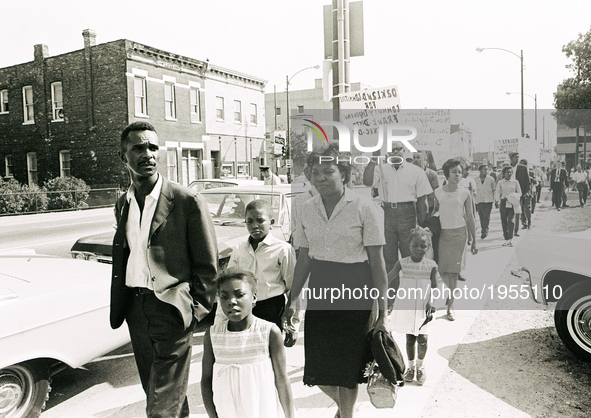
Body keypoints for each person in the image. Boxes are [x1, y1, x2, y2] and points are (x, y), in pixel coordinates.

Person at [110, 122, 218, 418]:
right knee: (160, 394)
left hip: (171, 311)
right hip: (135, 310)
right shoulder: (123, 203)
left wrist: (192, 311)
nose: (148, 154)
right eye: (138, 148)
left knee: (159, 406)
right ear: (123, 156)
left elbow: (208, 266)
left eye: (153, 147)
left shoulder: (186, 201)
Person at [289, 144, 389, 418]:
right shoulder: (305, 209)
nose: (320, 177)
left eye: (328, 171)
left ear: (344, 174)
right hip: (321, 290)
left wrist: (383, 313)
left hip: (356, 290)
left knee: (347, 370)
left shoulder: (365, 208)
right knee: (318, 371)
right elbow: (305, 259)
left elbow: (378, 264)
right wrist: (292, 298)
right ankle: (346, 409)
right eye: (315, 172)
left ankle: (346, 415)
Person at [201, 268, 295, 418]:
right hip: (227, 410)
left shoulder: (269, 332)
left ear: (254, 298)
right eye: (224, 297)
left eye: (239, 295)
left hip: (262, 409)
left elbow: (282, 380)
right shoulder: (212, 335)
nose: (231, 301)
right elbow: (206, 380)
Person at [225, 199, 295, 330]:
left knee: (270, 345)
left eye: (260, 220)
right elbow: (230, 282)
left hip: (272, 306)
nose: (254, 225)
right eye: (249, 221)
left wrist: (291, 316)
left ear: (271, 223)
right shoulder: (239, 249)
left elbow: (294, 286)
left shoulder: (282, 249)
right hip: (244, 305)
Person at [362, 146, 432, 275]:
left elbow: (423, 201)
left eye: (397, 148)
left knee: (410, 254)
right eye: (390, 149)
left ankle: (410, 290)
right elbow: (367, 182)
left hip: (408, 213)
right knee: (388, 257)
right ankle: (391, 293)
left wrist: (423, 225)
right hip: (386, 213)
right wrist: (374, 158)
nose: (394, 152)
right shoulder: (381, 169)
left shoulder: (415, 171)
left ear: (404, 150)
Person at [387, 227, 439, 386]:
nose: (418, 249)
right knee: (410, 338)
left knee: (423, 338)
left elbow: (435, 287)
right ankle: (410, 368)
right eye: (415, 245)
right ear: (408, 245)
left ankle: (420, 366)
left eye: (423, 246)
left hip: (423, 307)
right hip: (408, 306)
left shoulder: (431, 265)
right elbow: (388, 278)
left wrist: (432, 302)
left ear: (428, 247)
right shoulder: (402, 263)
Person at [433, 158, 478, 321]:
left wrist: (475, 240)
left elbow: (470, 217)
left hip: (460, 234)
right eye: (454, 172)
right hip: (443, 235)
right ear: (447, 174)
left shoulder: (465, 193)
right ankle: (452, 290)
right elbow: (435, 212)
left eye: (460, 172)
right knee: (442, 269)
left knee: (454, 271)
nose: (458, 175)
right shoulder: (438, 192)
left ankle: (450, 305)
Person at [495, 165, 522, 247]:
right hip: (503, 203)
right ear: (503, 173)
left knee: (511, 221)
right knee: (504, 221)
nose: (509, 174)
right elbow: (497, 193)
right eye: (507, 172)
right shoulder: (500, 183)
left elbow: (520, 193)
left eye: (510, 172)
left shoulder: (515, 182)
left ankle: (511, 239)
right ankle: (506, 239)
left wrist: (513, 196)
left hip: (512, 202)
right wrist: (497, 201)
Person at [413, 152, 440, 217]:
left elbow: (435, 191)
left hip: (428, 205)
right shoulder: (410, 173)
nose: (416, 160)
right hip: (413, 205)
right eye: (414, 158)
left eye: (418, 157)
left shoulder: (432, 174)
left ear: (424, 159)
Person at [474, 164, 496, 239]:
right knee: (481, 216)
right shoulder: (475, 180)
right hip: (479, 200)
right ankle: (484, 229)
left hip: (488, 200)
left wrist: (495, 200)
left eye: (487, 169)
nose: (486, 171)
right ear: (480, 171)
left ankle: (484, 231)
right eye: (484, 169)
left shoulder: (491, 179)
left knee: (486, 216)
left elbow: (494, 189)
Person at [516, 159, 532, 231]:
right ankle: (524, 223)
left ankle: (529, 222)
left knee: (527, 208)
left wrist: (527, 192)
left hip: (526, 192)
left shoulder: (527, 170)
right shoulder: (514, 170)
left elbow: (528, 182)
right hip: (518, 192)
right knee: (521, 209)